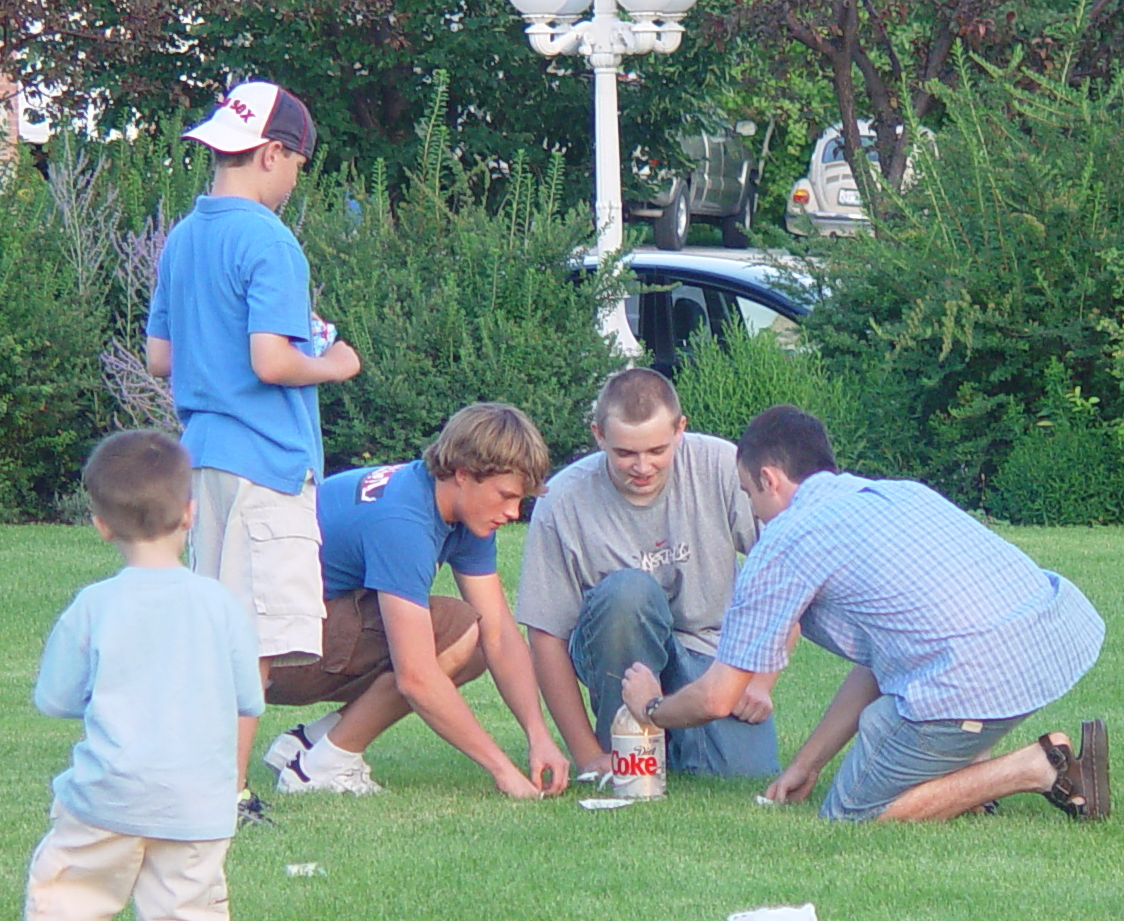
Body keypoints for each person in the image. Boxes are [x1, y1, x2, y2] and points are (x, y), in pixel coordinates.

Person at [619, 405, 1111, 823]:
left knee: (853, 812)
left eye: (749, 495)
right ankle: (957, 763)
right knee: (904, 712)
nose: (755, 512)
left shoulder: (787, 539)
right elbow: (883, 659)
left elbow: (717, 696)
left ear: (768, 479)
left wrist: (650, 709)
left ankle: (1037, 767)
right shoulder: (896, 494)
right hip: (1052, 635)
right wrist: (810, 762)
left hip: (978, 676)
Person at [0, 430, 263, 921]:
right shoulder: (221, 605)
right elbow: (249, 698)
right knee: (191, 910)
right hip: (199, 801)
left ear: (101, 526)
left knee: (65, 878)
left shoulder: (94, 605)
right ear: (189, 513)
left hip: (111, 790)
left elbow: (55, 698)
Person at [144, 80, 361, 816]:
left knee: (221, 626)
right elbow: (272, 361)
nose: (297, 180)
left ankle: (201, 779)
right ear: (272, 152)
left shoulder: (184, 235)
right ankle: (225, 793)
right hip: (265, 461)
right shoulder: (269, 239)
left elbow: (159, 357)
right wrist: (334, 361)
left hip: (201, 456)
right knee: (251, 642)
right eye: (298, 163)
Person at [266, 402, 571, 800]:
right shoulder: (403, 522)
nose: (513, 512)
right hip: (276, 654)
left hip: (312, 631)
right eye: (505, 496)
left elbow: (498, 632)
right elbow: (416, 677)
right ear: (463, 474)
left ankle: (311, 744)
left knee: (475, 637)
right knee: (454, 630)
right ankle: (321, 767)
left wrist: (538, 736)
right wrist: (502, 769)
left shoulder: (455, 508)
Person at [514, 367, 781, 780]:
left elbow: (786, 573)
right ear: (598, 435)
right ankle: (623, 746)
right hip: (618, 649)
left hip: (711, 652)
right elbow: (547, 635)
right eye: (624, 453)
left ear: (680, 430)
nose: (642, 466)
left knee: (744, 774)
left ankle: (676, 742)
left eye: (657, 450)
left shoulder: (722, 464)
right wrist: (586, 754)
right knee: (627, 592)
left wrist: (760, 680)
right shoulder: (563, 501)